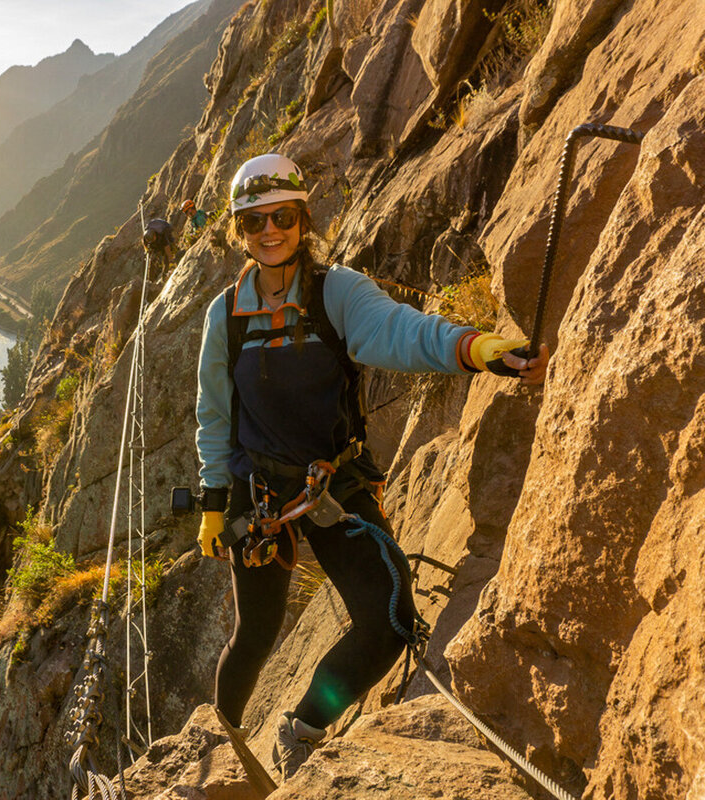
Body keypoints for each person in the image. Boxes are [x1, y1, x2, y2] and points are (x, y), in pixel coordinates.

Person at [194, 153, 549, 780]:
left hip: (334, 481)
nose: (269, 232)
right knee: (257, 630)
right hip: (260, 497)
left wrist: (476, 347)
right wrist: (213, 505)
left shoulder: (337, 293)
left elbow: (402, 331)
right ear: (238, 233)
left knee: (388, 620)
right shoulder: (225, 316)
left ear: (303, 219)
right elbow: (214, 416)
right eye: (254, 223)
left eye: (281, 217)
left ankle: (301, 726)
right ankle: (213, 748)